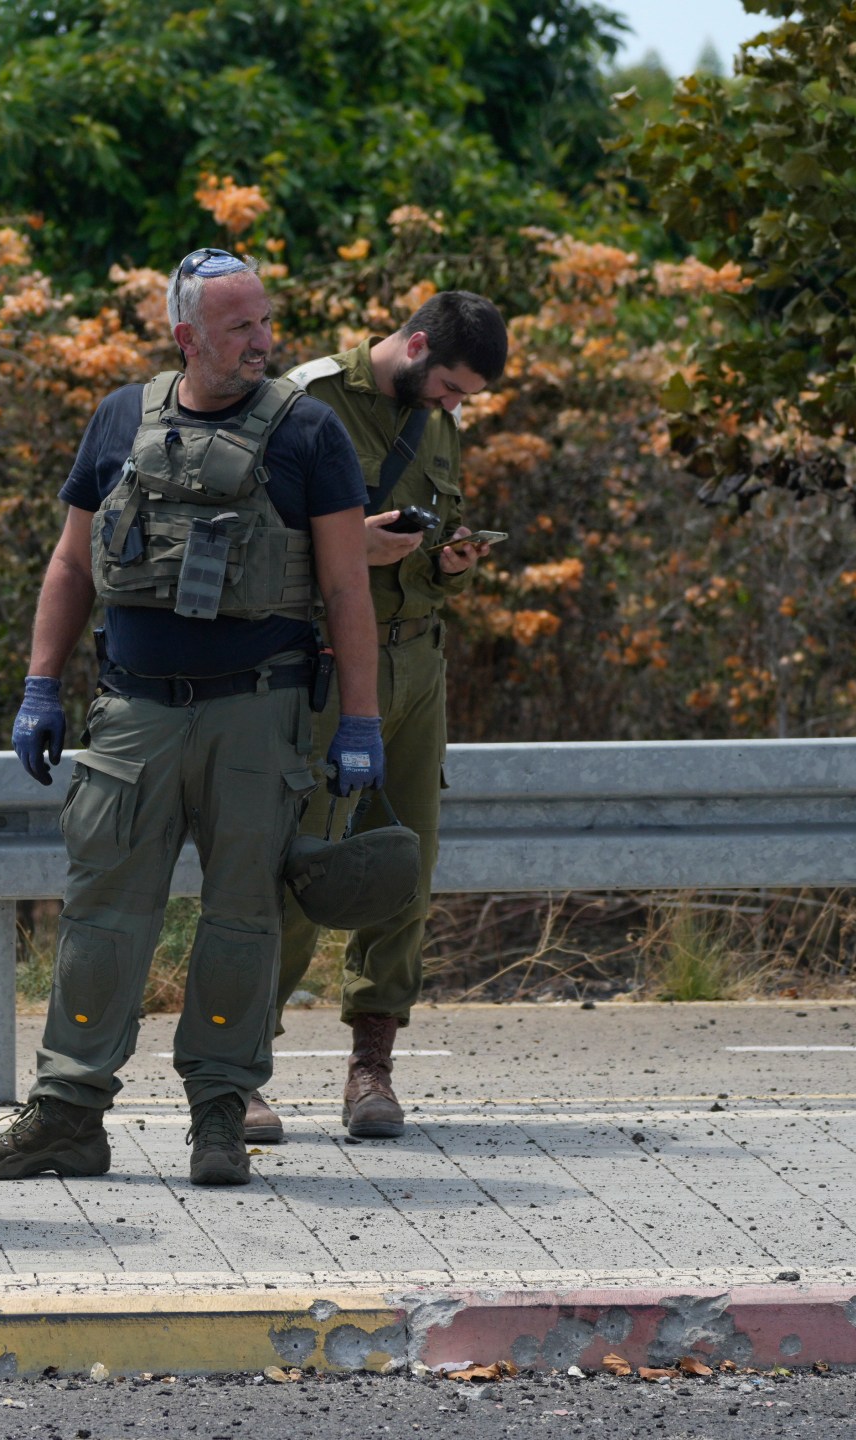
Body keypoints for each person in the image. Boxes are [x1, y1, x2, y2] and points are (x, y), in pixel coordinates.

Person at [0, 248, 383, 1188]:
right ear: (186, 334)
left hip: (259, 713)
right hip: (135, 717)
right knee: (101, 919)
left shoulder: (310, 432)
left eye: (266, 323)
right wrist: (42, 685)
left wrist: (358, 721)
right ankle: (69, 1114)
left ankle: (219, 1116)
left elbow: (344, 586)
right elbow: (73, 566)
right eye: (240, 327)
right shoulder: (121, 416)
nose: (262, 343)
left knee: (243, 921)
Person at [259, 292, 505, 1142]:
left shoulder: (439, 420)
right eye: (448, 387)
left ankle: (373, 1068)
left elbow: (416, 559)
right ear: (417, 344)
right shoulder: (303, 399)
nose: (452, 406)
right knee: (301, 863)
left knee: (409, 861)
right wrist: (345, 545)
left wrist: (449, 563)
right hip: (323, 668)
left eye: (463, 398)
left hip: (416, 663)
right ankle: (241, 1070)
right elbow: (250, 536)